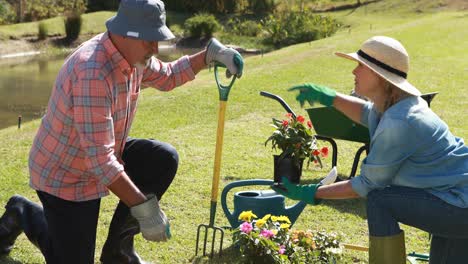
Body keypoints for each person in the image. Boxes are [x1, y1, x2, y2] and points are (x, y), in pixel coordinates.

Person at [0, 0, 243, 263]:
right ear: (126, 32)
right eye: (150, 40)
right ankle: (21, 212)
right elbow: (101, 162)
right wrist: (146, 211)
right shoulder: (92, 71)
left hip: (98, 156)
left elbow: (168, 75)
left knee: (161, 158)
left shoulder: (133, 56)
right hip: (64, 175)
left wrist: (208, 55)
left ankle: (119, 252)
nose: (155, 48)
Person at [273, 36, 468, 264]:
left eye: (360, 66)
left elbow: (366, 186)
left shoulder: (399, 121)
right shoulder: (399, 105)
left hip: (459, 205)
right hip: (456, 197)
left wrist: (313, 192)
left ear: (380, 76)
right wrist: (331, 97)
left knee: (379, 200)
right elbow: (367, 113)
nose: (354, 72)